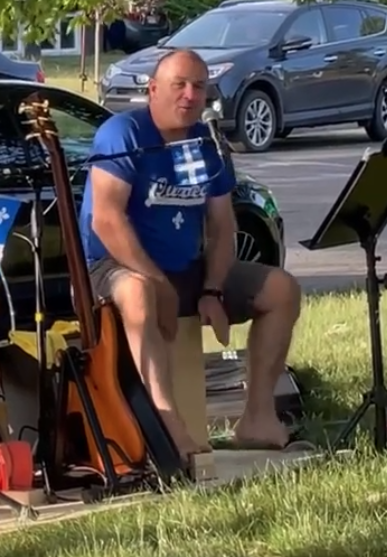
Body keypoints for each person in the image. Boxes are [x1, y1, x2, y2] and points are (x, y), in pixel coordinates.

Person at [78, 48, 301, 459]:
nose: (189, 95)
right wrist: (159, 283)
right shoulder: (123, 134)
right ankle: (170, 430)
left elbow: (221, 225)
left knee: (281, 289)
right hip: (116, 267)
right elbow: (106, 221)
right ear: (153, 89)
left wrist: (213, 290)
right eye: (178, 84)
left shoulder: (205, 141)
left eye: (199, 86)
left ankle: (256, 417)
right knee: (140, 293)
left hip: (187, 268)